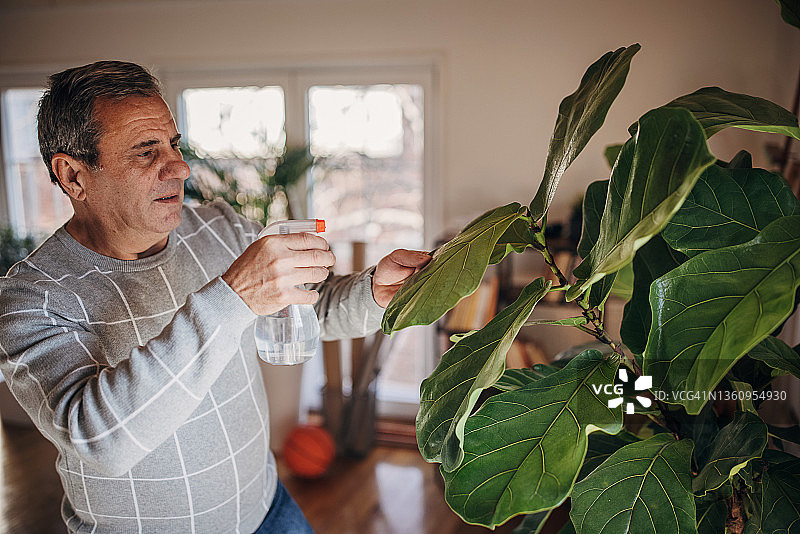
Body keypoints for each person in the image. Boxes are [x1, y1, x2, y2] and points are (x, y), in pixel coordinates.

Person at [0, 60, 430, 534]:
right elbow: (102, 440)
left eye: (173, 144)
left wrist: (373, 290)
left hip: (269, 511)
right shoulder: (30, 298)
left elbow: (311, 306)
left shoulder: (220, 227)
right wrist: (235, 295)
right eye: (146, 151)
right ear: (73, 176)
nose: (179, 167)